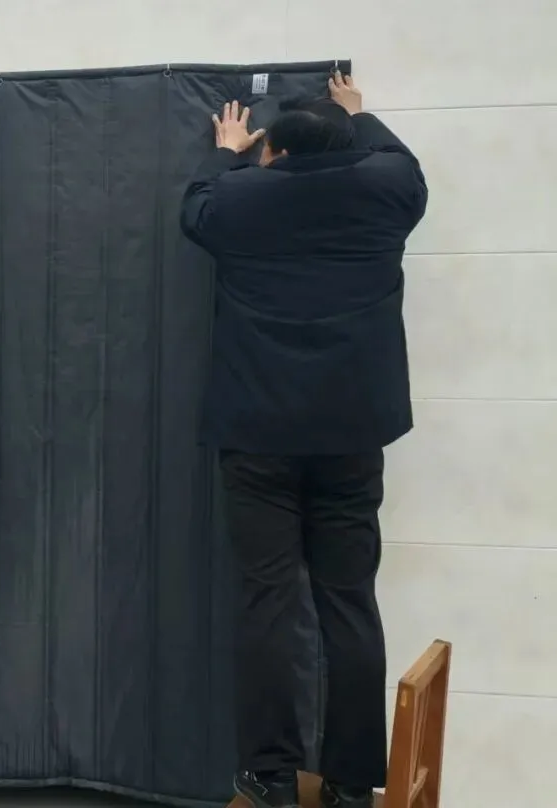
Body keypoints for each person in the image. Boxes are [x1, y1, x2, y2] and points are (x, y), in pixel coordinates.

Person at [180, 72, 427, 808]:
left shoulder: (239, 198)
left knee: (267, 600)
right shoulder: (386, 193)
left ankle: (271, 775)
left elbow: (195, 206)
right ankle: (350, 783)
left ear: (274, 151)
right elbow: (401, 162)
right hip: (351, 433)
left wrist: (227, 150)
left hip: (258, 434)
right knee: (348, 601)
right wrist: (356, 114)